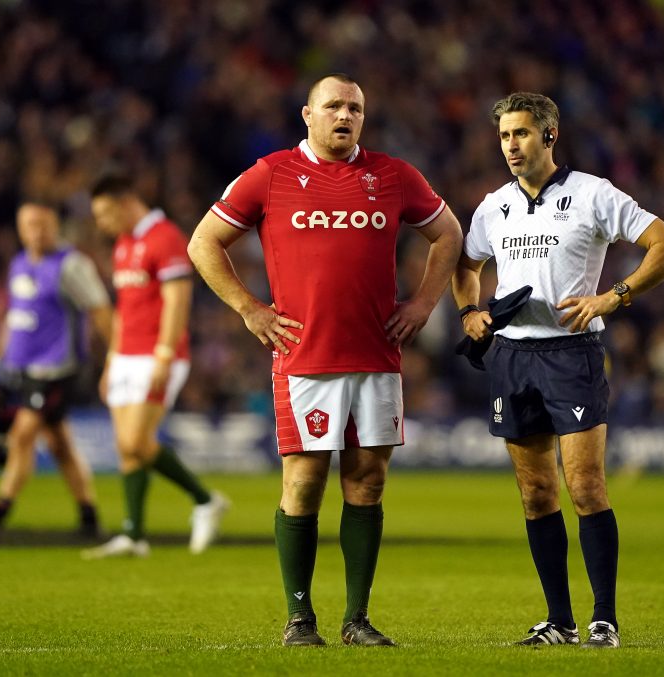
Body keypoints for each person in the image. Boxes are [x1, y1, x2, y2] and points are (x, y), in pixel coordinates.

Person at [187, 73, 463, 647]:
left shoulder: (394, 175)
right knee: (305, 479)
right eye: (333, 106)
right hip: (303, 357)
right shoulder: (271, 173)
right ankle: (298, 618)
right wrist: (248, 308)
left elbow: (448, 234)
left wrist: (424, 303)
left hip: (376, 355)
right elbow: (203, 242)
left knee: (366, 482)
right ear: (306, 114)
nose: (345, 116)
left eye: (355, 108)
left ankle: (357, 619)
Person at [452, 92, 664, 648]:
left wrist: (613, 297)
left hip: (570, 353)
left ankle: (604, 618)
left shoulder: (592, 194)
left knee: (585, 486)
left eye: (522, 134)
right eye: (505, 136)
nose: (511, 145)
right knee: (536, 493)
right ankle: (559, 621)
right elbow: (466, 265)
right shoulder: (492, 206)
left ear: (549, 135)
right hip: (511, 357)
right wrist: (469, 311)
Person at [82, 174, 229, 559]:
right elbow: (124, 310)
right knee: (127, 450)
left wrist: (165, 353)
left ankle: (204, 499)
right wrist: (111, 358)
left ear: (126, 202)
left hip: (156, 355)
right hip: (126, 355)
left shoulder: (165, 237)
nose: (101, 223)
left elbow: (177, 300)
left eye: (104, 213)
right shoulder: (124, 244)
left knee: (135, 441)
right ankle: (134, 534)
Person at [0, 201, 112, 541]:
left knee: (21, 435)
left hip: (57, 369)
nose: (36, 231)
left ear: (55, 226)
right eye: (28, 224)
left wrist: (115, 359)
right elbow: (16, 317)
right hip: (25, 369)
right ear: (19, 227)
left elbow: (101, 311)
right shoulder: (19, 264)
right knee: (60, 446)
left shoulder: (71, 265)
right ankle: (89, 518)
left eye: (42, 224)